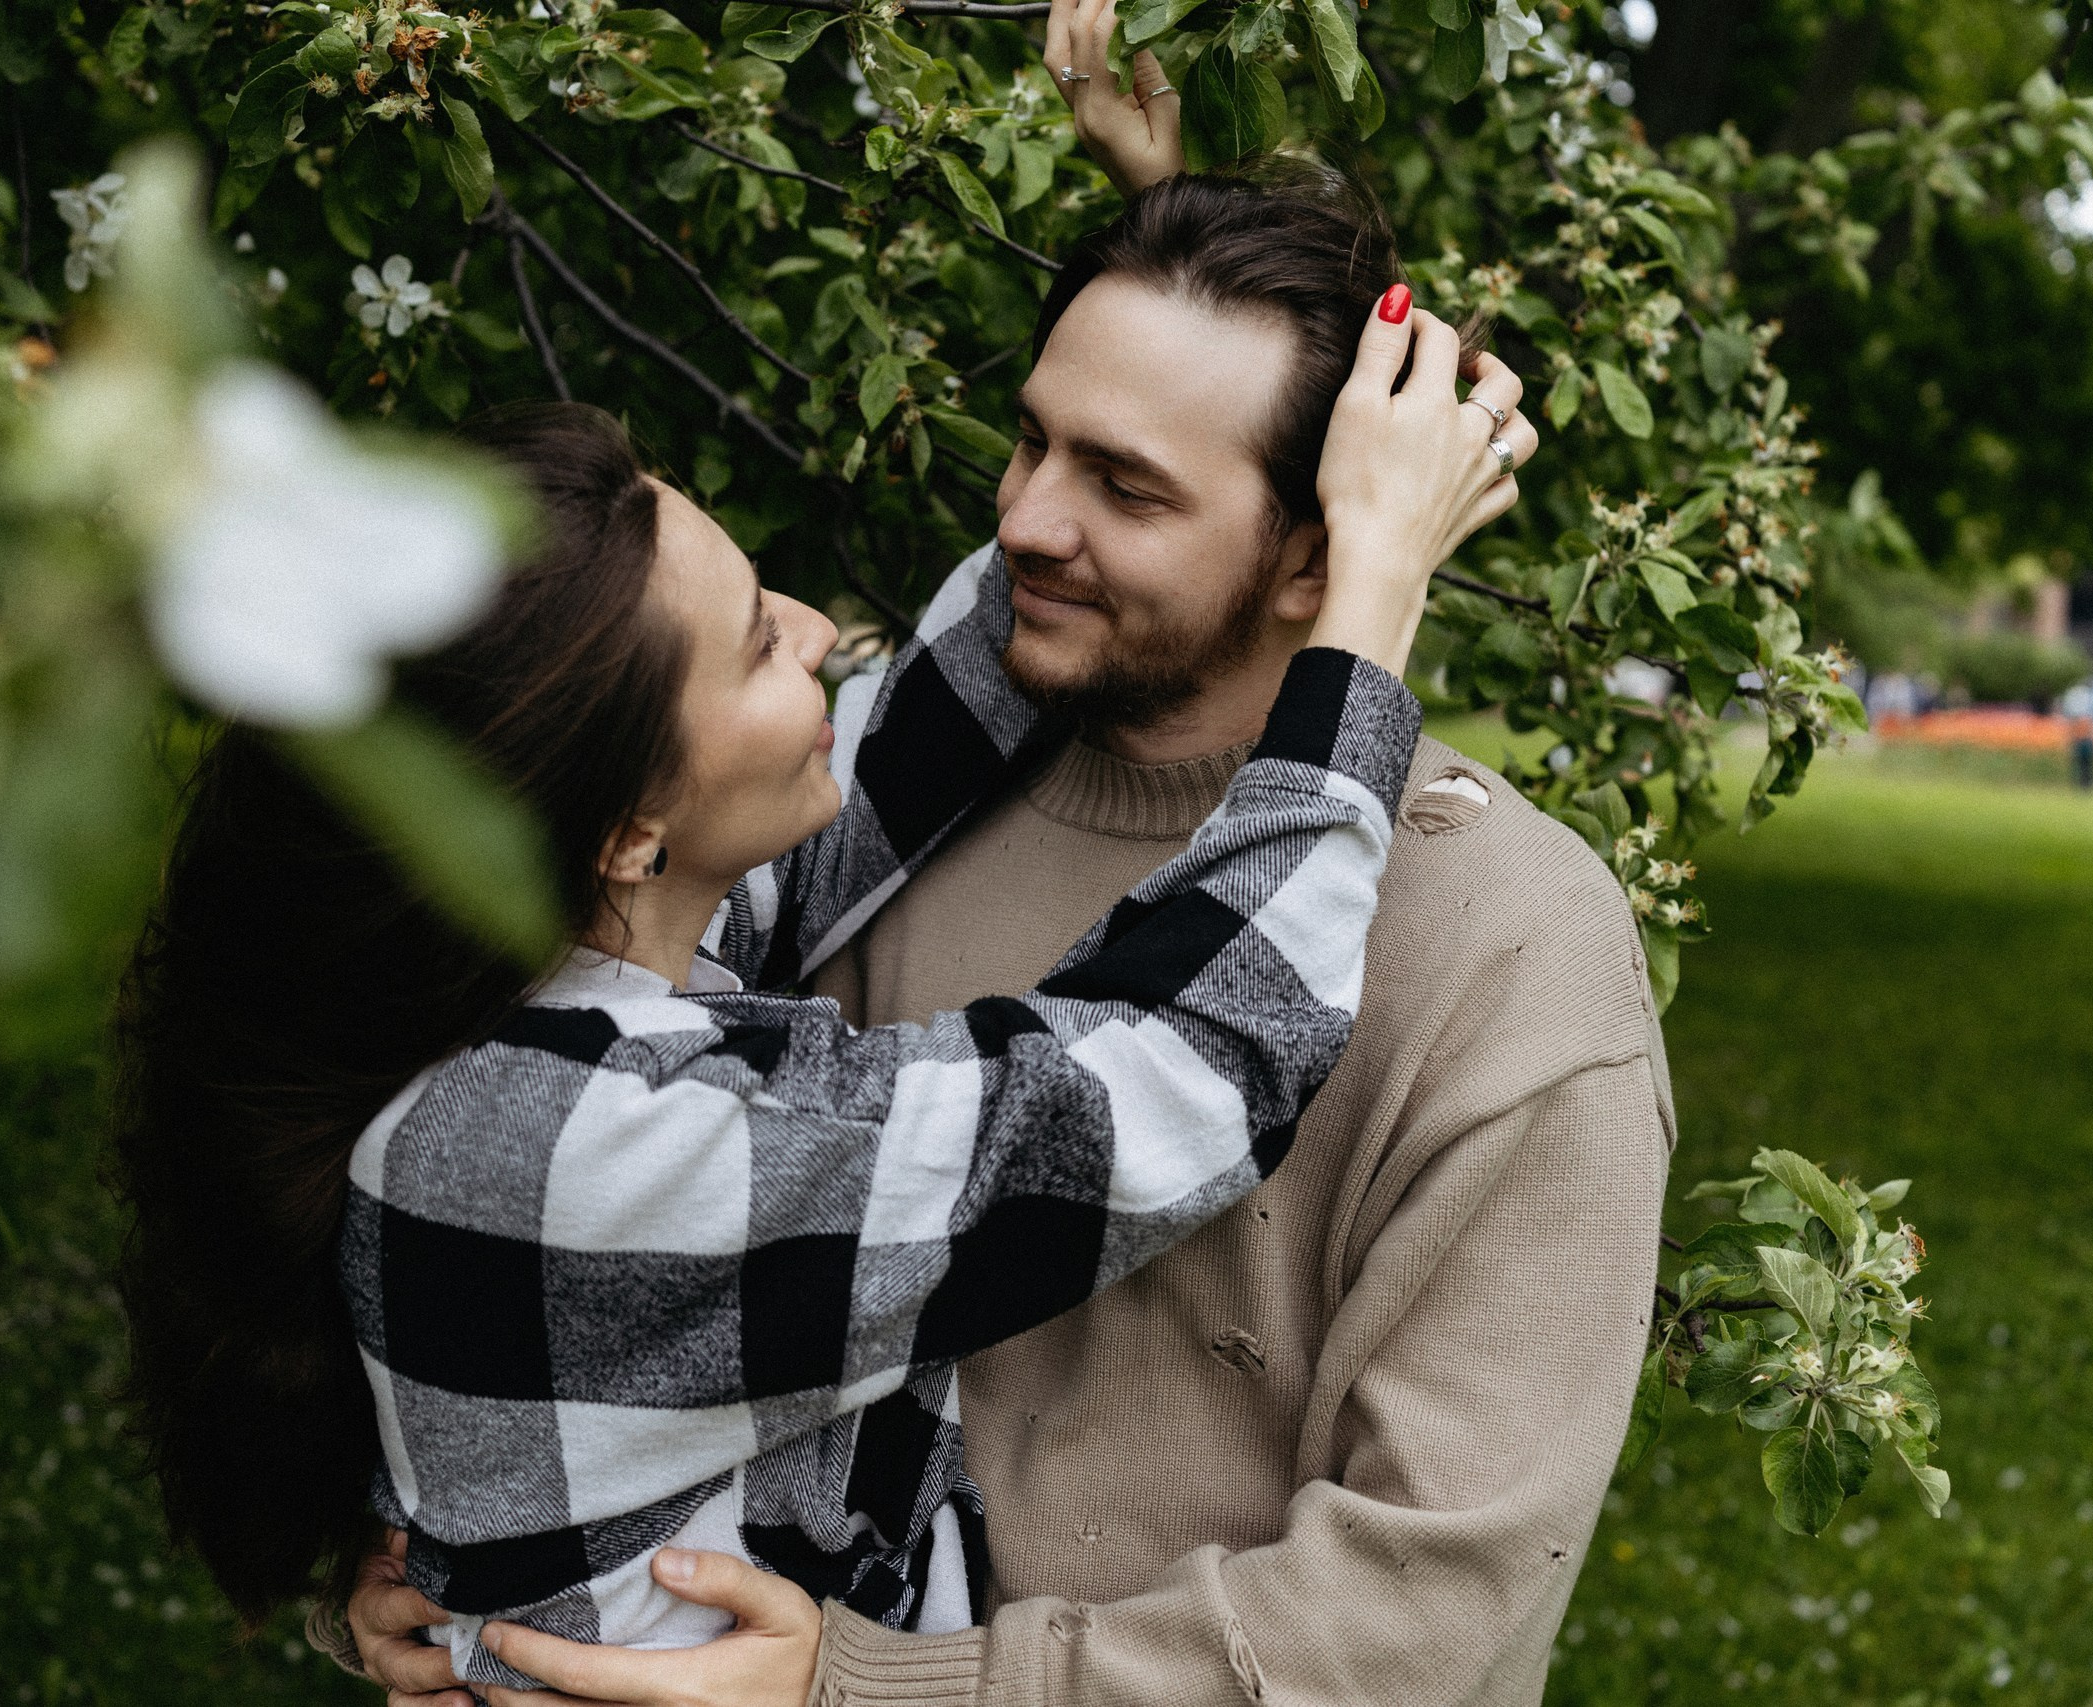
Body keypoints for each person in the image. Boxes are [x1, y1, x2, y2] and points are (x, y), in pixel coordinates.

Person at [350, 131, 1659, 1707]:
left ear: (1315, 555)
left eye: (1123, 480)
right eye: (1031, 438)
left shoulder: (1516, 957)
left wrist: (876, 1688)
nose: (1029, 518)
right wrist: (457, 1568)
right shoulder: (837, 826)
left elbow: (1422, 1625)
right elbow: (1184, 1057)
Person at [117, 271, 1527, 1688]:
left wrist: (1154, 284)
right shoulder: (598, 1147)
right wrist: (1372, 593)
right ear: (626, 834)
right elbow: (1179, 1073)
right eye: (753, 645)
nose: (815, 630)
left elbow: (915, 731)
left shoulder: (533, 985)